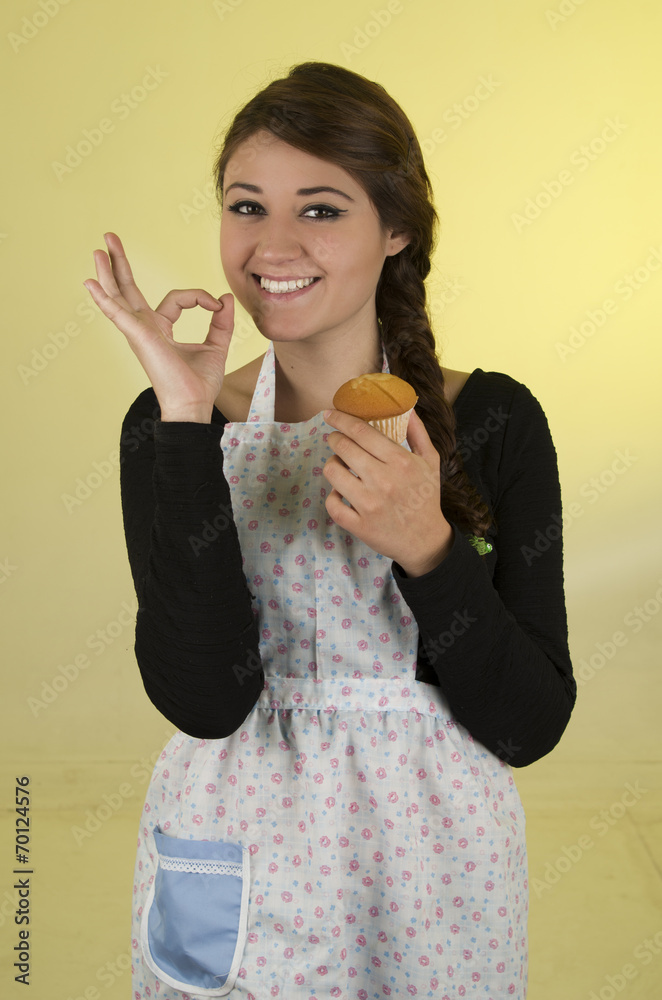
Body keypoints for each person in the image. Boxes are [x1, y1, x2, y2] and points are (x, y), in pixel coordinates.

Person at [84, 61, 575, 999]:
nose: (272, 244)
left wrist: (428, 549)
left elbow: (530, 724)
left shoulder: (494, 423)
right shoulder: (173, 427)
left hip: (435, 871)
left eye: (319, 210)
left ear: (396, 230)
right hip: (236, 854)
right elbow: (205, 701)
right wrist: (185, 422)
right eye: (245, 205)